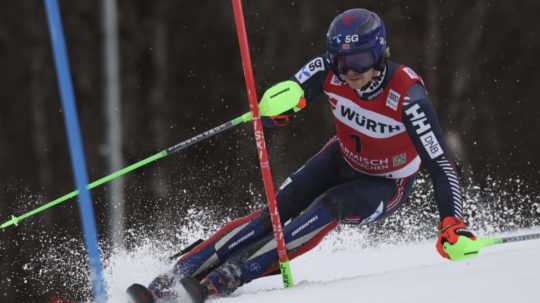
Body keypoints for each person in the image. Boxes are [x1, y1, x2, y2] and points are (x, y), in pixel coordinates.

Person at [127, 8, 476, 303]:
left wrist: (451, 222)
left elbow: (439, 162)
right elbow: (294, 90)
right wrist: (280, 106)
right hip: (341, 158)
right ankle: (175, 276)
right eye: (342, 63)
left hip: (386, 183)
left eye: (360, 61)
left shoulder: (407, 96)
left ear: (380, 53)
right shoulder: (328, 69)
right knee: (273, 215)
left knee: (328, 208)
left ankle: (233, 275)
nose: (351, 73)